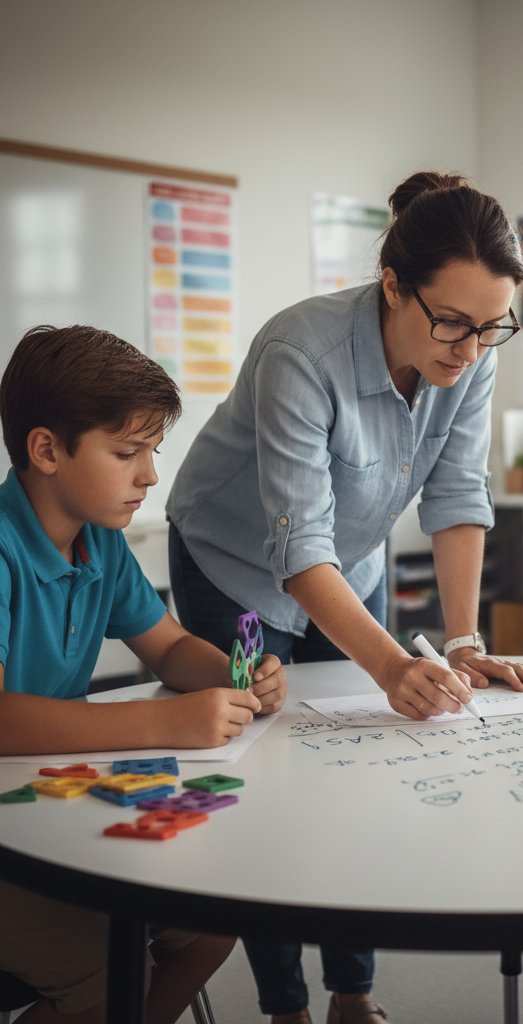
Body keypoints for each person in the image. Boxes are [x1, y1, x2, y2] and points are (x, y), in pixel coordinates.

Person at [166, 170, 523, 1024]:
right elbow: (296, 549)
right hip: (233, 566)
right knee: (267, 761)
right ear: (391, 286)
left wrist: (460, 642)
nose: (468, 346)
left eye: (490, 328)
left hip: (353, 566)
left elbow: (456, 499)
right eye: (450, 321)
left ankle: (351, 993)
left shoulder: (468, 353)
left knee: (358, 761)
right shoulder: (301, 350)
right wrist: (389, 663)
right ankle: (286, 1006)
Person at [0, 324, 287, 1024]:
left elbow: (165, 647)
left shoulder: (100, 538)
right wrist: (166, 720)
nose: (151, 475)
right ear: (45, 450)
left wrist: (230, 675)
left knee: (214, 923)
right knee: (104, 983)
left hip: (48, 805)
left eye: (152, 452)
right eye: (127, 452)